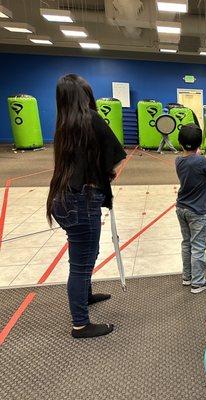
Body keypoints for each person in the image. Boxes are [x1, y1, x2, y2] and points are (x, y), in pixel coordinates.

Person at [46, 74, 126, 338]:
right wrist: (108, 174)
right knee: (81, 264)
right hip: (81, 199)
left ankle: (86, 295)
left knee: (84, 255)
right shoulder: (92, 119)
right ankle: (80, 324)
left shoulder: (63, 124)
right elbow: (116, 155)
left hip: (63, 198)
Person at [175, 124, 206, 293]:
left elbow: (191, 162)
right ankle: (198, 282)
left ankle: (188, 277)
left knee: (187, 244)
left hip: (181, 208)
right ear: (199, 144)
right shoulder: (201, 161)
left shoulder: (178, 160)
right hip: (197, 212)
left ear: (180, 143)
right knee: (198, 246)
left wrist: (199, 158)